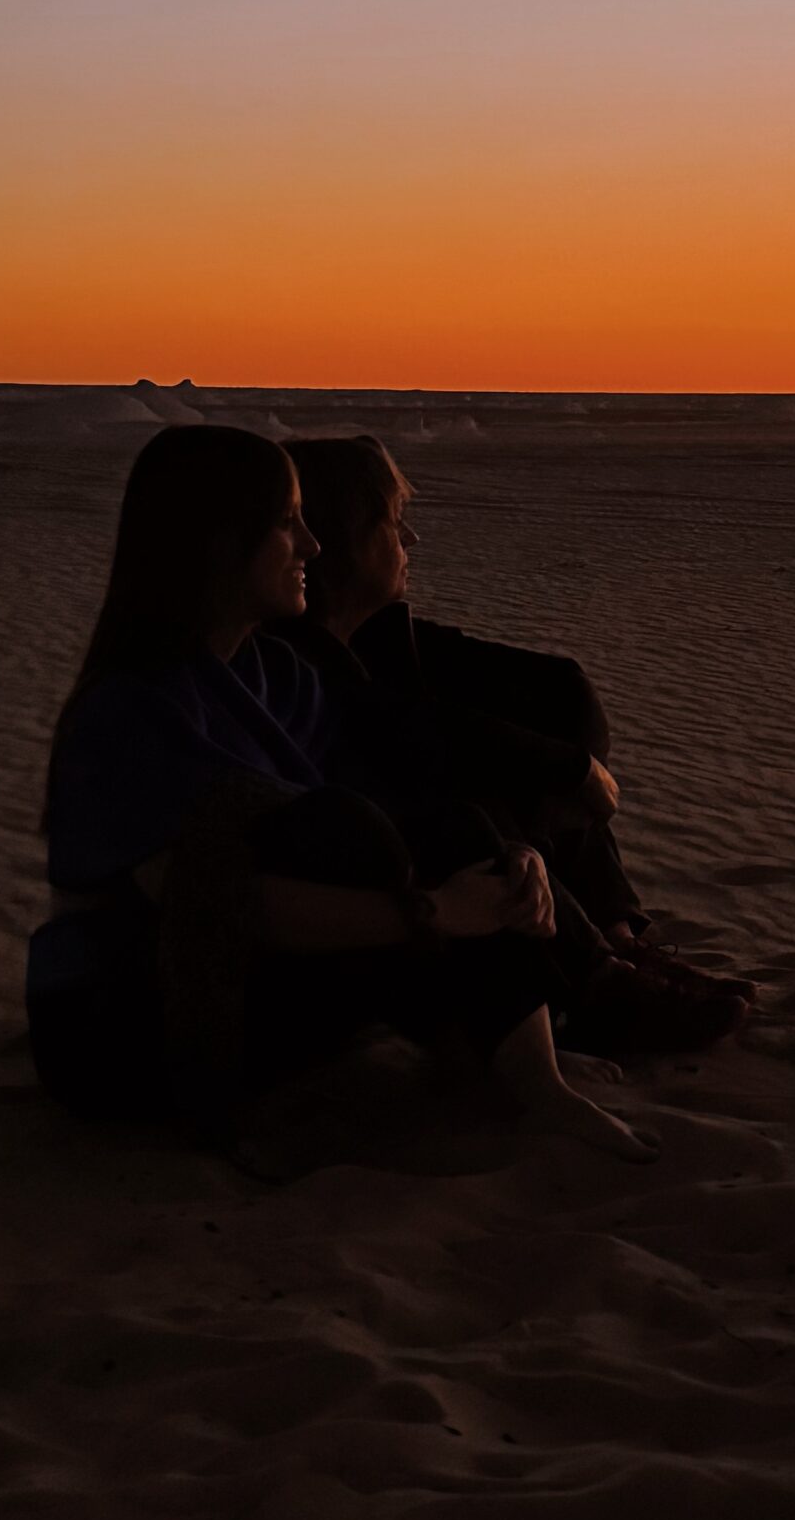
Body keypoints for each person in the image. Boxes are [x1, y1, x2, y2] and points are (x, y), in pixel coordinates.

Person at [32, 425, 656, 1162]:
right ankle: (508, 1058)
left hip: (251, 982)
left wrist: (514, 856)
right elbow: (210, 904)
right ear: (223, 540)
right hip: (130, 1021)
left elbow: (410, 804)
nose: (313, 546)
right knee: (343, 826)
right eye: (288, 523)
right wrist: (433, 913)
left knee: (448, 826)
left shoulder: (284, 677)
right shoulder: (130, 712)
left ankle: (529, 1071)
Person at [280, 435, 751, 1051]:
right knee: (485, 795)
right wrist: (569, 770)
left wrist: (570, 766)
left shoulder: (382, 636)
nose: (411, 541)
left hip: (416, 863)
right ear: (341, 539)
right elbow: (395, 729)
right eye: (393, 524)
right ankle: (597, 985)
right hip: (371, 893)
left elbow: (557, 687)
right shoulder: (287, 659)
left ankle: (618, 943)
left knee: (521, 761)